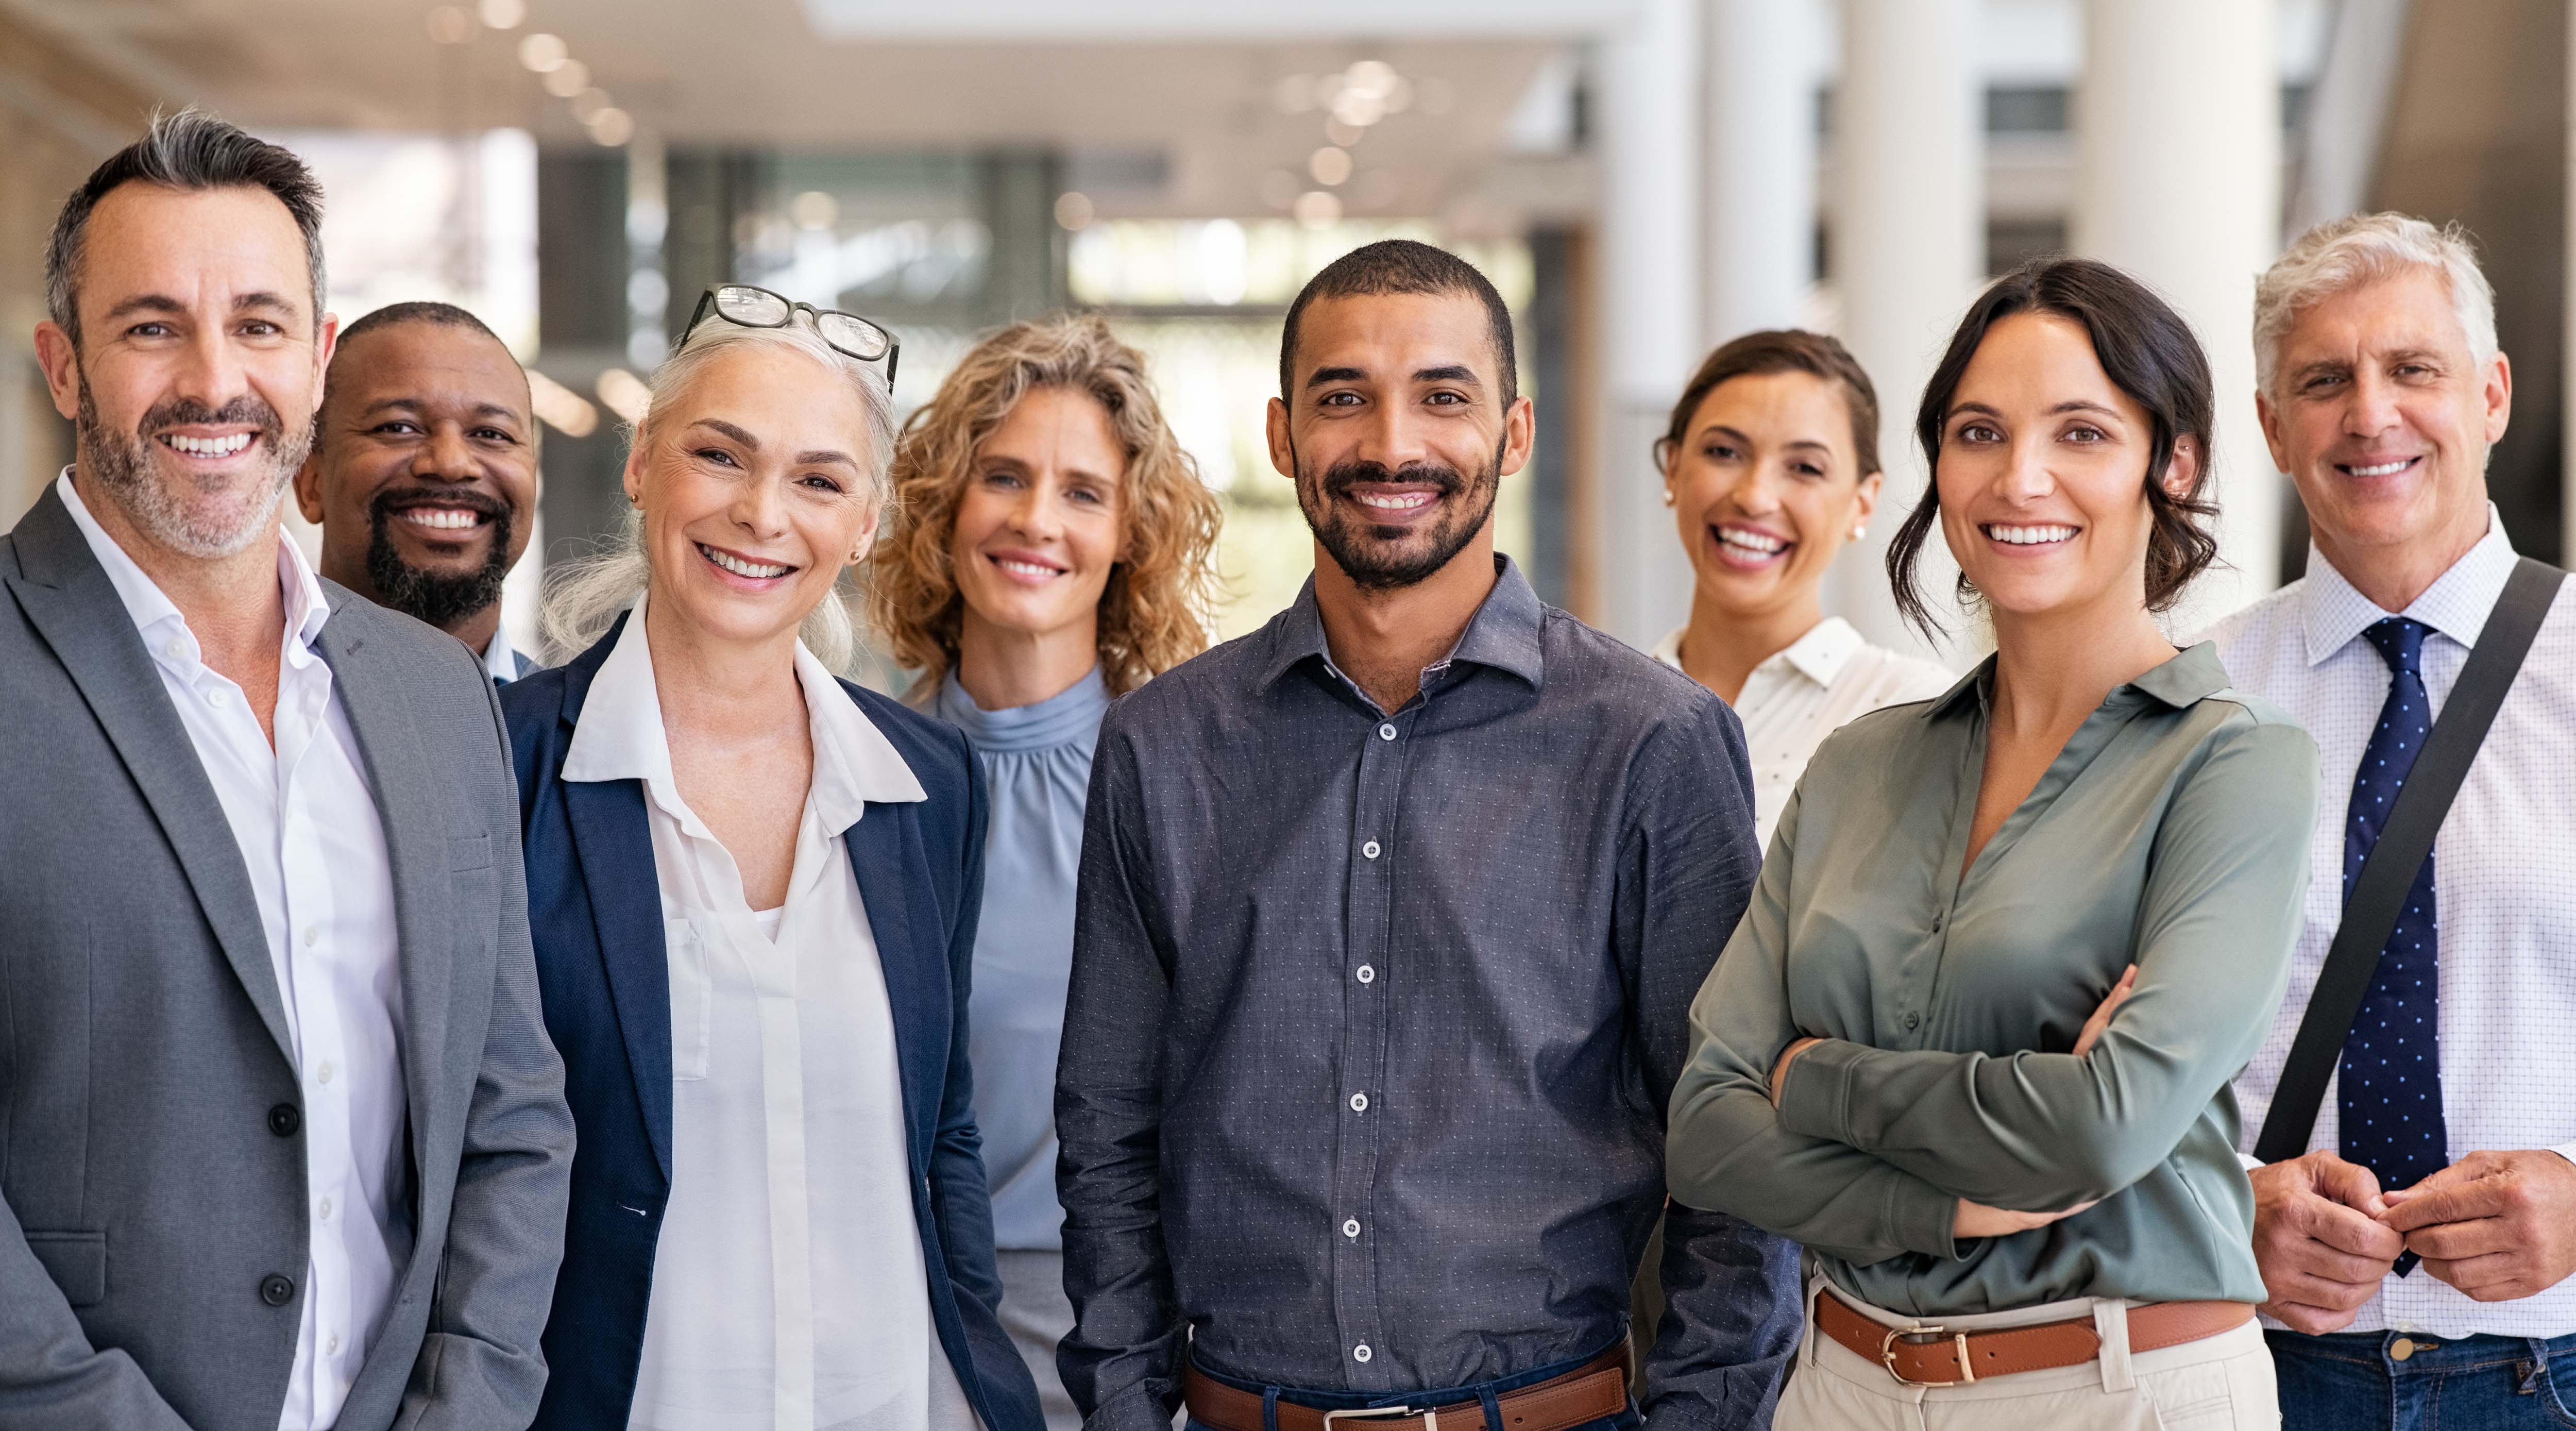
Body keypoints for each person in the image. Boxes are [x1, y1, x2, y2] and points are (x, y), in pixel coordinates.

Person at [1056, 238, 1802, 1431]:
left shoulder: (1653, 741)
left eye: (1441, 396)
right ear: (1282, 434)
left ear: (1512, 435)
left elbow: (1735, 1154)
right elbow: (1106, 1134)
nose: (1392, 444)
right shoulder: (1161, 745)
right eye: (1343, 396)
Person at [1668, 257, 2323, 1430]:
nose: (2020, 477)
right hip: (1839, 1386)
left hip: (2116, 1387)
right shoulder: (1861, 761)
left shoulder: (2235, 761)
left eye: (2080, 431)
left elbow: (2103, 1124)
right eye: (1979, 431)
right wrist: (1951, 1204)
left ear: (2171, 465)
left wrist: (1812, 1076)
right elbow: (1710, 1131)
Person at [0, 109, 573, 1431]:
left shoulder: (432, 696)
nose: (214, 381)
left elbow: (511, 1117)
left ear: (314, 361)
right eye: (152, 326)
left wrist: (467, 1401)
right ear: (64, 366)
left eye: (258, 325)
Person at [503, 286, 1044, 1431]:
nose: (761, 513)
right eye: (720, 454)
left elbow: (941, 1122)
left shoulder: (927, 782)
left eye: (817, 478)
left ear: (865, 523)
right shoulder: (503, 765)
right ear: (643, 462)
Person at [2201, 212, 2576, 1430]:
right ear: (2270, 427)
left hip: (2553, 1370)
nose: (2368, 414)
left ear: (2491, 393)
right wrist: (2226, 1199)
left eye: (2410, 368)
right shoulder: (2187, 699)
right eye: (2322, 381)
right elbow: (2090, 1053)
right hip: (2258, 1370)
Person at [868, 311, 1222, 1429]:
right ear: (943, 506)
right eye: (1004, 477)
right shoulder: (850, 772)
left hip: (1129, 1356)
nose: (1034, 519)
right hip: (892, 1335)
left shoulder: (1189, 785)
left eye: (1082, 491)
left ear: (1131, 531)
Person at [1652, 329, 1953, 846]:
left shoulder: (1916, 714)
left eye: (1804, 467)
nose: (1754, 497)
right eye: (1724, 451)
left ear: (1862, 501)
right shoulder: (1602, 705)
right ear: (1674, 466)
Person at [292, 299, 540, 682]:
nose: (451, 463)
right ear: (309, 480)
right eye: (397, 428)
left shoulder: (586, 731)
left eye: (492, 434)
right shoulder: (238, 718)